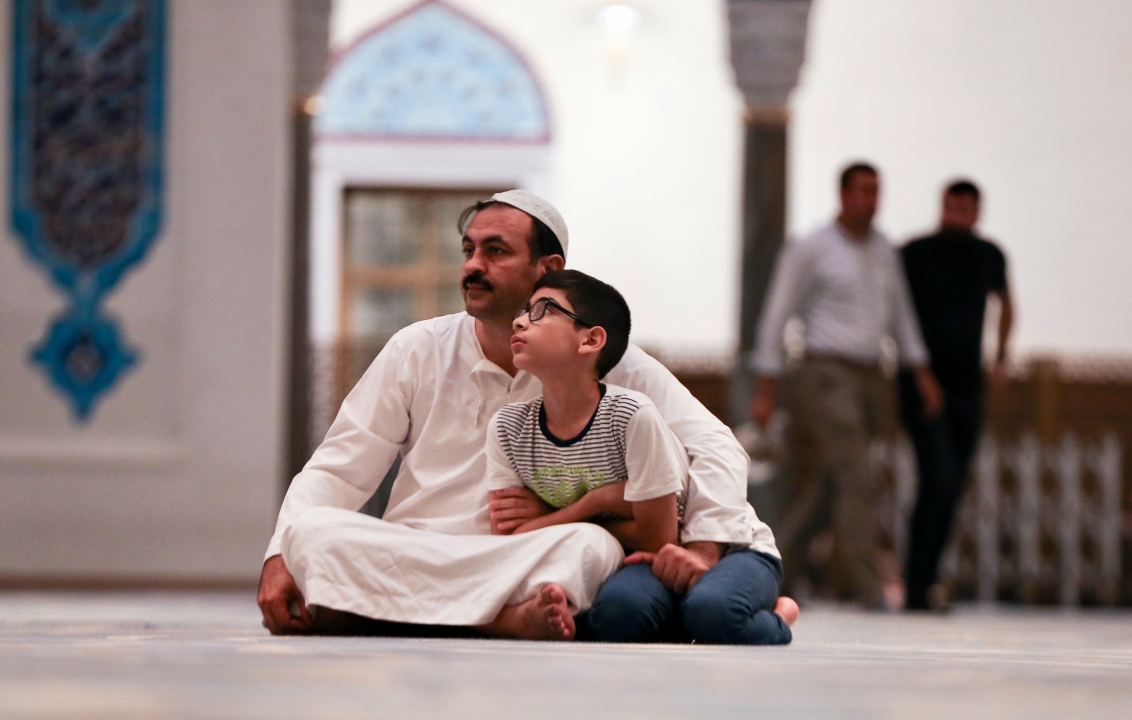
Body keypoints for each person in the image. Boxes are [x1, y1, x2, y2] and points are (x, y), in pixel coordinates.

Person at [258, 189, 777, 640]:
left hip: (526, 557)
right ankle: (499, 621)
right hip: (419, 549)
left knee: (587, 547)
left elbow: (715, 445)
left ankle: (381, 613)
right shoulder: (416, 348)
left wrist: (705, 547)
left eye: (495, 251)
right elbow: (338, 467)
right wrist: (281, 554)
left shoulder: (603, 358)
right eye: (468, 251)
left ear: (548, 269)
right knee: (314, 531)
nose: (472, 266)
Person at [487, 270, 796, 643]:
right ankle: (687, 615)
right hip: (641, 555)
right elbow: (511, 534)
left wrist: (702, 550)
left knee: (713, 613)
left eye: (543, 310)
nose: (520, 320)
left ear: (591, 339)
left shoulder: (630, 409)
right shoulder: (511, 424)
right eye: (525, 310)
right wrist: (593, 503)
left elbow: (717, 450)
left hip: (728, 547)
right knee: (619, 616)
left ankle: (778, 614)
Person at [750, 162, 942, 609]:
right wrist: (765, 386)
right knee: (859, 476)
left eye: (876, 192)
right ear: (842, 194)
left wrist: (922, 372)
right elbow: (778, 313)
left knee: (834, 484)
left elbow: (902, 318)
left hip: (873, 376)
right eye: (861, 191)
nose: (869, 201)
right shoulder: (812, 248)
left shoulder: (884, 252)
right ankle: (869, 588)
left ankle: (776, 567)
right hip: (824, 372)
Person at [898, 179, 1014, 611]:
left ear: (977, 212)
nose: (959, 217)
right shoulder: (915, 254)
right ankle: (916, 584)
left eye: (967, 210)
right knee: (938, 478)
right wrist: (921, 374)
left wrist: (1001, 357)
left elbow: (1006, 304)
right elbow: (900, 316)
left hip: (968, 384)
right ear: (942, 206)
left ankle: (926, 582)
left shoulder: (989, 255)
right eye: (953, 209)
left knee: (952, 485)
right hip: (922, 383)